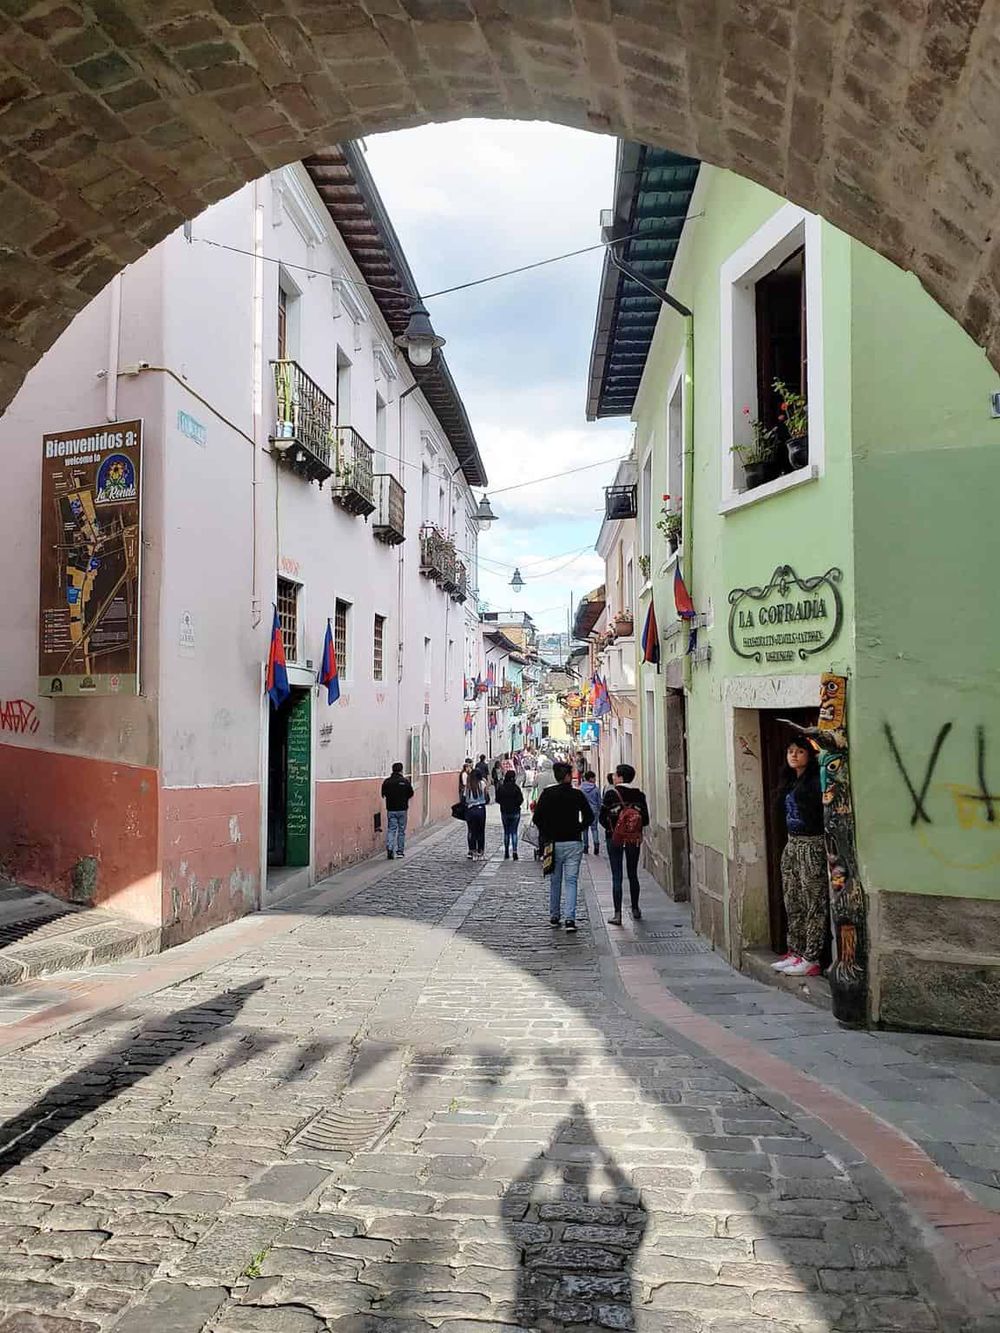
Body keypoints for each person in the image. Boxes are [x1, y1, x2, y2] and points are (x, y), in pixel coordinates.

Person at [772, 739, 826, 978]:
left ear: (809, 756)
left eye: (800, 751)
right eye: (790, 750)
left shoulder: (815, 783)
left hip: (811, 845)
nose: (794, 755)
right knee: (792, 899)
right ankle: (795, 950)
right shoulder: (790, 781)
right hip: (792, 843)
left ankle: (811, 957)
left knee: (812, 902)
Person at [532, 761, 594, 933]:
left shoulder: (547, 794)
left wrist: (547, 832)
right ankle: (570, 919)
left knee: (555, 880)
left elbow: (537, 818)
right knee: (571, 882)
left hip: (553, 843)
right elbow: (589, 816)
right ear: (568, 776)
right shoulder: (577, 795)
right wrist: (578, 828)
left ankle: (554, 915)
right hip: (573, 842)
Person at [600, 763, 650, 924]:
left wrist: (612, 828)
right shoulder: (639, 795)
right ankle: (635, 909)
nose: (613, 777)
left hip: (614, 838)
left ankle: (617, 914)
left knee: (617, 875)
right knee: (633, 873)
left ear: (620, 777)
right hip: (633, 839)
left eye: (615, 774)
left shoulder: (610, 794)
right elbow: (646, 820)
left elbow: (602, 817)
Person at [380, 761, 414, 860]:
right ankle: (400, 851)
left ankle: (390, 847)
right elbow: (410, 793)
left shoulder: (387, 781)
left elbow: (383, 794)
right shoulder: (405, 781)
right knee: (401, 831)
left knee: (391, 829)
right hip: (402, 809)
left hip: (391, 809)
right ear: (401, 770)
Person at [497, 770, 524, 860]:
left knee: (506, 832)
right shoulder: (516, 788)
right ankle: (515, 852)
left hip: (505, 812)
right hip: (515, 812)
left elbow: (497, 799)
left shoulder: (502, 787)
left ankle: (506, 852)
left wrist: (504, 803)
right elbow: (521, 800)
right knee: (514, 832)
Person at [465, 770, 488, 861]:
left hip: (471, 809)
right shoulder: (482, 783)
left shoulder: (468, 786)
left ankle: (473, 851)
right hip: (481, 809)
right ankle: (480, 852)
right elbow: (486, 796)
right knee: (481, 831)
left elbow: (465, 799)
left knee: (472, 831)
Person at [580, 770, 602, 855]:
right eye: (594, 778)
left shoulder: (581, 788)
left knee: (585, 829)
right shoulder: (596, 789)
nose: (595, 779)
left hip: (584, 810)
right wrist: (599, 810)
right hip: (594, 810)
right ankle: (596, 845)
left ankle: (585, 847)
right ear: (591, 778)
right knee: (594, 828)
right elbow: (599, 801)